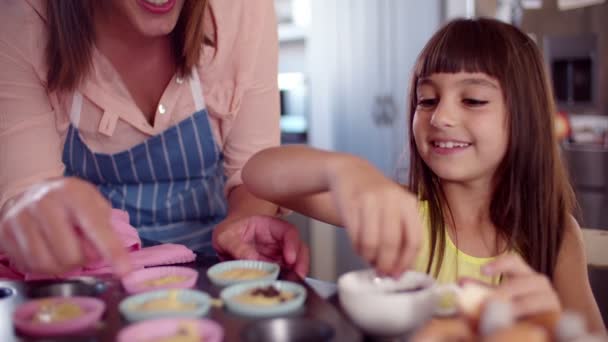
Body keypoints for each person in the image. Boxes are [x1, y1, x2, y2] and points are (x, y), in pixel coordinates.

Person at [242, 18, 605, 332]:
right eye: (427, 99)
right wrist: (344, 169)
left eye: (473, 100)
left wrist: (556, 326)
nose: (440, 117)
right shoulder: (402, 211)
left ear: (526, 118)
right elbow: (257, 172)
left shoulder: (556, 235)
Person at [0, 0, 308, 278]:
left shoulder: (242, 10)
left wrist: (244, 223)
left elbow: (252, 171)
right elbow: (27, 188)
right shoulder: (22, 20)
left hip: (212, 269)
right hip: (91, 279)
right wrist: (34, 217)